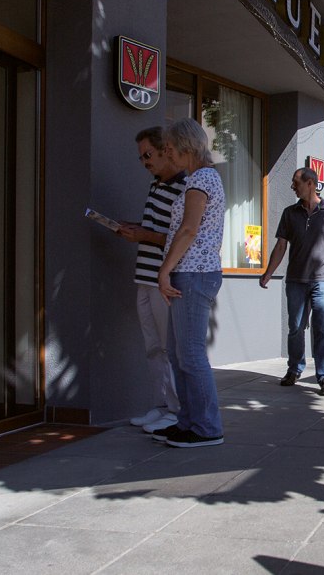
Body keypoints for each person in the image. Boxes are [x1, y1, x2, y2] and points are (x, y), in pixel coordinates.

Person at [153, 118, 228, 448]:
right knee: (177, 352)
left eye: (169, 148)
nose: (167, 155)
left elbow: (188, 229)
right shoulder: (199, 179)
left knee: (191, 354)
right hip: (192, 272)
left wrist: (164, 270)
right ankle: (189, 421)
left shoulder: (202, 179)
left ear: (186, 147)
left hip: (194, 273)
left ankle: (207, 427)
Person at [116, 126, 185, 433]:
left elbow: (179, 238)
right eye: (141, 157)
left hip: (163, 278)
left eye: (148, 155)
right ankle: (161, 406)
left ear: (165, 151)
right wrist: (135, 229)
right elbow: (156, 230)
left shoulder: (183, 187)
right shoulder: (157, 186)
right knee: (153, 347)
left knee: (169, 348)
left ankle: (176, 410)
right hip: (144, 276)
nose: (144, 162)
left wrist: (144, 235)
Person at [259, 167, 324, 396]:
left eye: (295, 182)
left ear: (310, 183)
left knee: (322, 327)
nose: (292, 186)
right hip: (296, 279)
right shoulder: (290, 213)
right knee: (295, 327)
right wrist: (268, 272)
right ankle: (295, 369)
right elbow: (280, 246)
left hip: (323, 279)